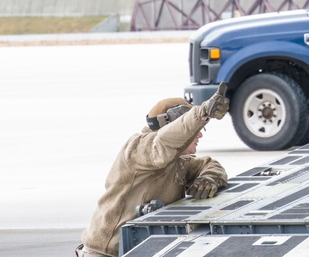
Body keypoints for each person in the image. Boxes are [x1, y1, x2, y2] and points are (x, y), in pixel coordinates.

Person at [76, 84, 230, 257]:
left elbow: (209, 165)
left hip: (138, 249)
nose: (200, 135)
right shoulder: (139, 148)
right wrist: (200, 113)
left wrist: (209, 178)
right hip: (108, 253)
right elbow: (165, 141)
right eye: (195, 130)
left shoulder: (177, 161)